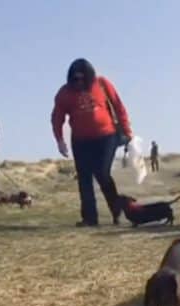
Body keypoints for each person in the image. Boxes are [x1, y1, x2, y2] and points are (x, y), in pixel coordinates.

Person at [51, 58, 132, 227]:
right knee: (84, 179)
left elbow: (118, 106)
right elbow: (57, 118)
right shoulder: (65, 93)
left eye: (82, 79)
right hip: (81, 141)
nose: (79, 82)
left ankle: (117, 210)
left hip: (106, 136)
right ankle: (89, 218)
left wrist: (127, 131)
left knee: (102, 173)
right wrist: (59, 140)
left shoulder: (102, 84)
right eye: (75, 79)